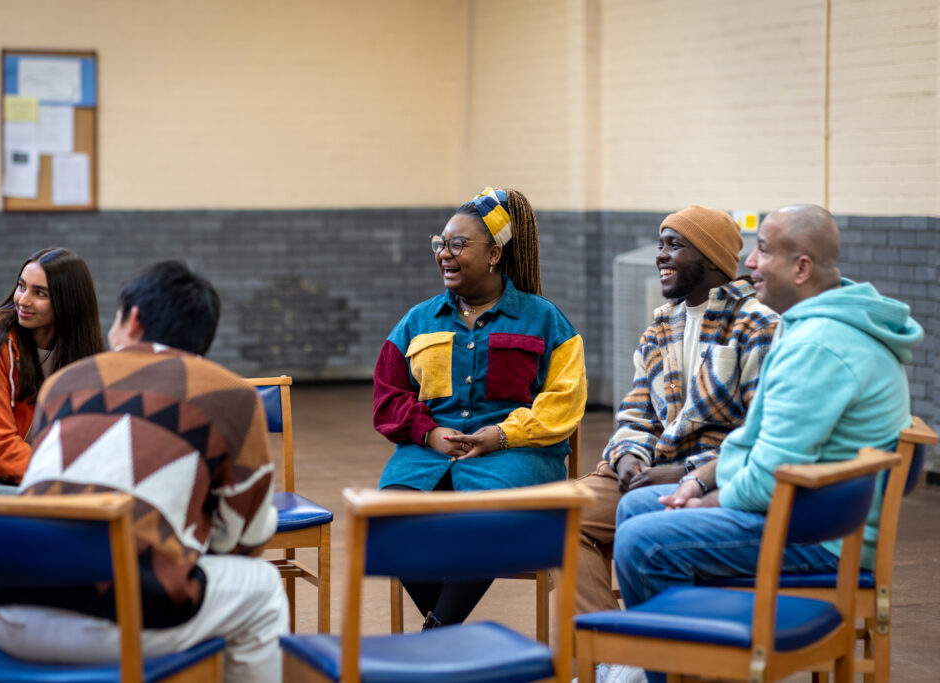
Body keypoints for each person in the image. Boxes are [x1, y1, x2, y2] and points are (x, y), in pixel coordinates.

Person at [613, 205, 922, 681]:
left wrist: (704, 503)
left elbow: (769, 475)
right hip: (803, 507)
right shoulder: (807, 326)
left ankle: (678, 665)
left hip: (828, 534)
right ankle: (683, 663)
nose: (750, 263)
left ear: (801, 268)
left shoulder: (819, 344)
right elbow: (754, 440)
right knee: (636, 509)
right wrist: (698, 480)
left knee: (643, 543)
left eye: (763, 250)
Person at [0, 261, 289, 683]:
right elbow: (246, 539)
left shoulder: (63, 383)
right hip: (123, 616)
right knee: (263, 588)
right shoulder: (231, 393)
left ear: (134, 318)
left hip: (7, 610)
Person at [373, 187, 587, 628]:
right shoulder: (418, 320)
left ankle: (437, 638)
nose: (444, 255)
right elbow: (388, 394)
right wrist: (429, 433)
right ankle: (445, 638)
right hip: (429, 456)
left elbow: (564, 402)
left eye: (457, 245)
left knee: (488, 522)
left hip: (515, 457)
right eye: (441, 244)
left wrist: (503, 435)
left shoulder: (544, 319)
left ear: (493, 254)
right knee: (386, 519)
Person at [575, 205, 778, 614]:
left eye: (675, 245)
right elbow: (636, 414)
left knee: (646, 533)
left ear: (712, 258)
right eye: (660, 244)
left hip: (711, 482)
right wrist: (630, 457)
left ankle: (657, 650)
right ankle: (609, 659)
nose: (661, 255)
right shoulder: (660, 328)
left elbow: (761, 433)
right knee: (559, 520)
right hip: (646, 473)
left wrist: (685, 474)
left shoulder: (757, 325)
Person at [0, 247, 105, 487]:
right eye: (21, 286)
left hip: (43, 472)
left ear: (67, 302)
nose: (23, 300)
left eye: (39, 293)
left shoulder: (81, 352)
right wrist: (65, 481)